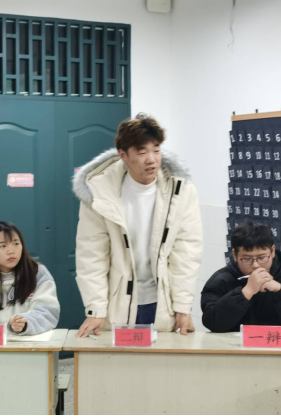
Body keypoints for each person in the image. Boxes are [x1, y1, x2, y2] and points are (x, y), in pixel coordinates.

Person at [73, 113, 203, 337]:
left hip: (162, 303)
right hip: (117, 305)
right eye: (142, 152)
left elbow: (186, 253)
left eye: (156, 150)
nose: (151, 159)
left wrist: (183, 307)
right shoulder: (100, 192)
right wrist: (96, 309)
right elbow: (92, 255)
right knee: (117, 360)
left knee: (161, 360)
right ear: (123, 155)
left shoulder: (181, 191)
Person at [201, 220, 281, 333]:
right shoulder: (221, 281)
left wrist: (280, 291)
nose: (255, 265)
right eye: (247, 259)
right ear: (235, 255)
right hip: (233, 346)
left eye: (262, 258)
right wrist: (246, 292)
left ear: (272, 251)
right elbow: (212, 323)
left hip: (278, 345)